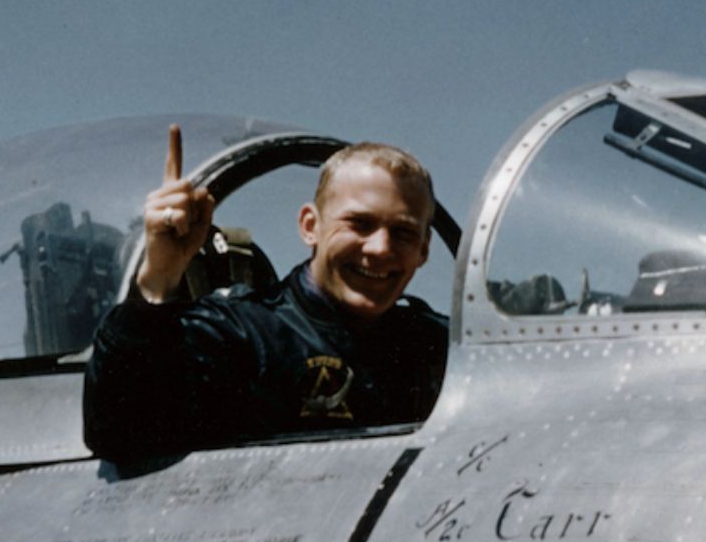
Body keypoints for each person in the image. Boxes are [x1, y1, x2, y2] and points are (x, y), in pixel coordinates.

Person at [83, 126, 446, 460]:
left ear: (424, 250)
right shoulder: (241, 332)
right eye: (359, 224)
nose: (381, 249)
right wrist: (158, 277)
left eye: (403, 232)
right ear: (310, 227)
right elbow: (119, 432)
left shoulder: (441, 347)